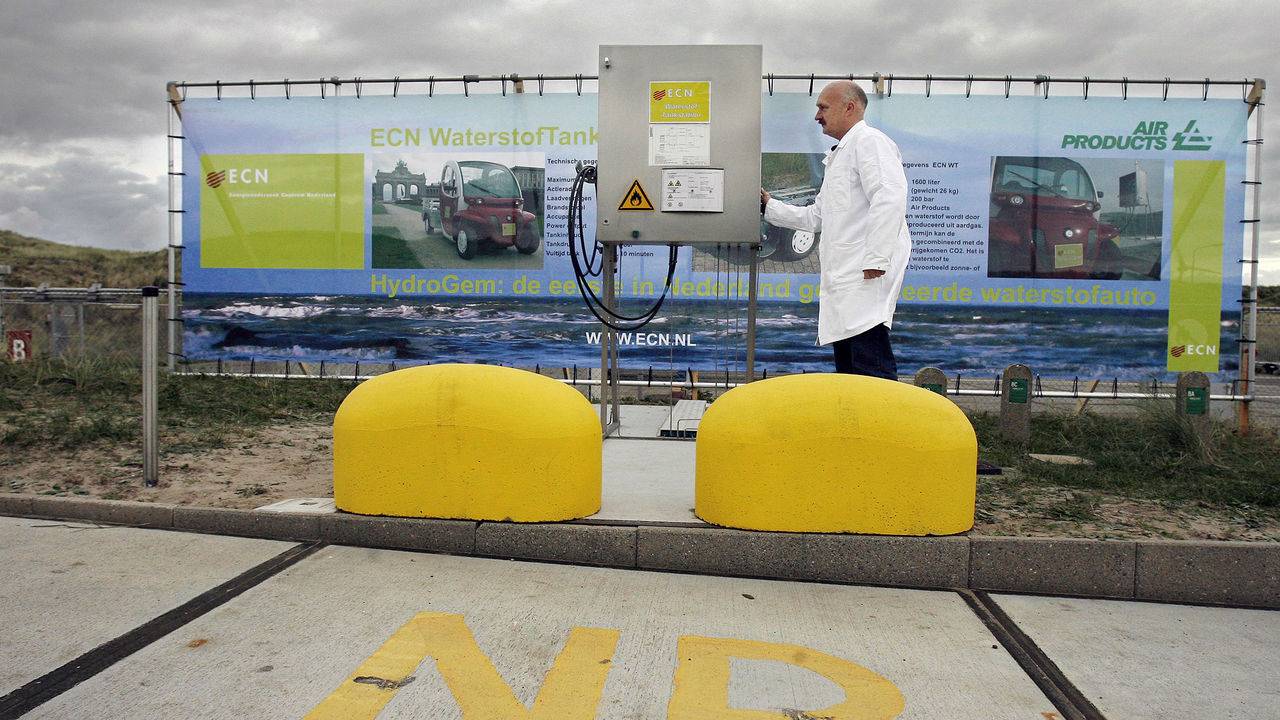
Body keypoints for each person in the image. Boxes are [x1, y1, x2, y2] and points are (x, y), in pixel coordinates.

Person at [761, 80, 911, 380]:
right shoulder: (841, 154)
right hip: (849, 275)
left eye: (823, 107)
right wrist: (769, 206)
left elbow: (889, 196)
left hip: (866, 271)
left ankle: (879, 424)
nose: (817, 116)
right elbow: (816, 217)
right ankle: (856, 425)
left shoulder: (870, 142)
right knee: (850, 365)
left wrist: (876, 259)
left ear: (850, 107)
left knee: (869, 360)